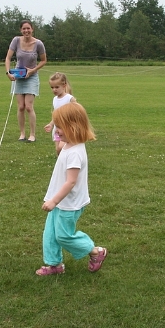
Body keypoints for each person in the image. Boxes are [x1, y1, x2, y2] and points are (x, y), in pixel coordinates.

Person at [36, 103, 107, 276]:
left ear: (73, 127)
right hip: (59, 199)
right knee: (50, 234)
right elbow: (61, 149)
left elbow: (71, 182)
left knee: (63, 236)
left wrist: (53, 201)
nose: (57, 131)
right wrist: (60, 140)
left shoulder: (75, 152)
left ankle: (95, 251)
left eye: (60, 127)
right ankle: (55, 265)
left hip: (69, 203)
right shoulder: (68, 144)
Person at [4, 20, 47, 142]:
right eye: (24, 29)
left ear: (32, 29)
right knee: (21, 107)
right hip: (18, 75)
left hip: (31, 76)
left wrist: (33, 70)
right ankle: (22, 134)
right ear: (21, 30)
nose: (26, 31)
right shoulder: (16, 40)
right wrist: (8, 73)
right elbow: (8, 58)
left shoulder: (38, 43)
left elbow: (44, 60)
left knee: (28, 106)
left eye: (28, 28)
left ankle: (32, 134)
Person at [44, 72, 76, 156]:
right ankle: (61, 162)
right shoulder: (55, 99)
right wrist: (51, 124)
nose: (54, 90)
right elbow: (56, 115)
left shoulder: (69, 98)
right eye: (52, 87)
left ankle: (68, 160)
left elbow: (77, 112)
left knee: (61, 147)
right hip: (57, 129)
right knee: (58, 149)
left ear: (64, 86)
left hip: (66, 128)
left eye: (57, 87)